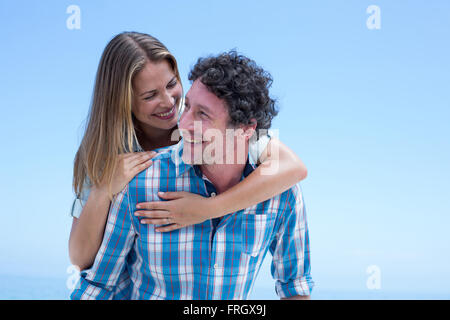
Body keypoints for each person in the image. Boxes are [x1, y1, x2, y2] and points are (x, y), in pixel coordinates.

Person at [71, 51, 313, 300]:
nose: (182, 122)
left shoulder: (279, 189)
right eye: (150, 95)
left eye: (202, 114)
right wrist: (102, 190)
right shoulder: (134, 179)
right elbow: (92, 277)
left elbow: (295, 287)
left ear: (246, 130)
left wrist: (208, 209)